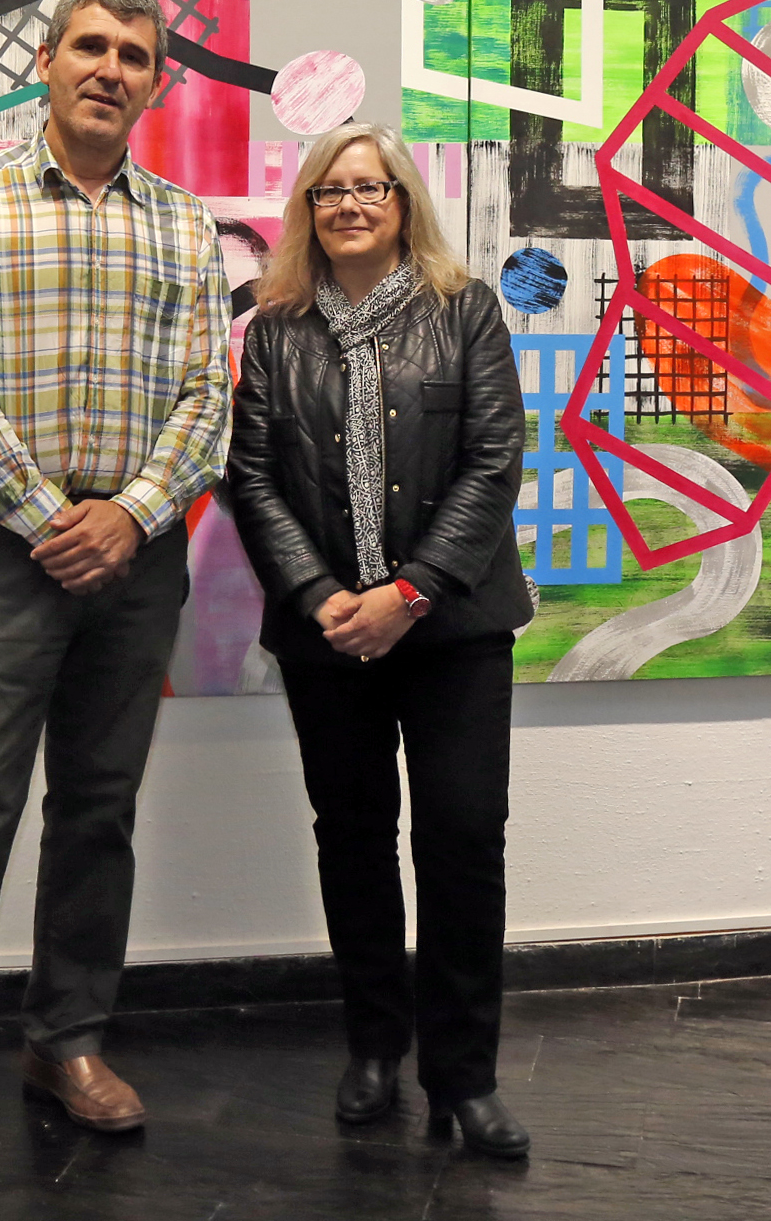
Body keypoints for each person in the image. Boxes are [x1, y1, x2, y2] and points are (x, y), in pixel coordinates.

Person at [0, 0, 232, 1179]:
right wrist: (50, 521)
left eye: (134, 54)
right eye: (91, 45)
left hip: (138, 555)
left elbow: (207, 398)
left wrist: (129, 516)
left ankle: (65, 1043)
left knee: (97, 809)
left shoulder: (184, 224)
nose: (109, 68)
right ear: (47, 59)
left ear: (155, 83)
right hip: (2, 552)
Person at [225, 123, 533, 1158]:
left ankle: (465, 1076)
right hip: (328, 640)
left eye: (371, 187)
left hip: (454, 631)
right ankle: (372, 1049)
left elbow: (494, 461)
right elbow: (252, 477)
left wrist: (410, 592)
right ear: (307, 209)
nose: (350, 205)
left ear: (404, 203)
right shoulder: (276, 330)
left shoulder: (466, 308)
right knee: (353, 842)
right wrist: (320, 596)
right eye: (330, 190)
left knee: (461, 843)